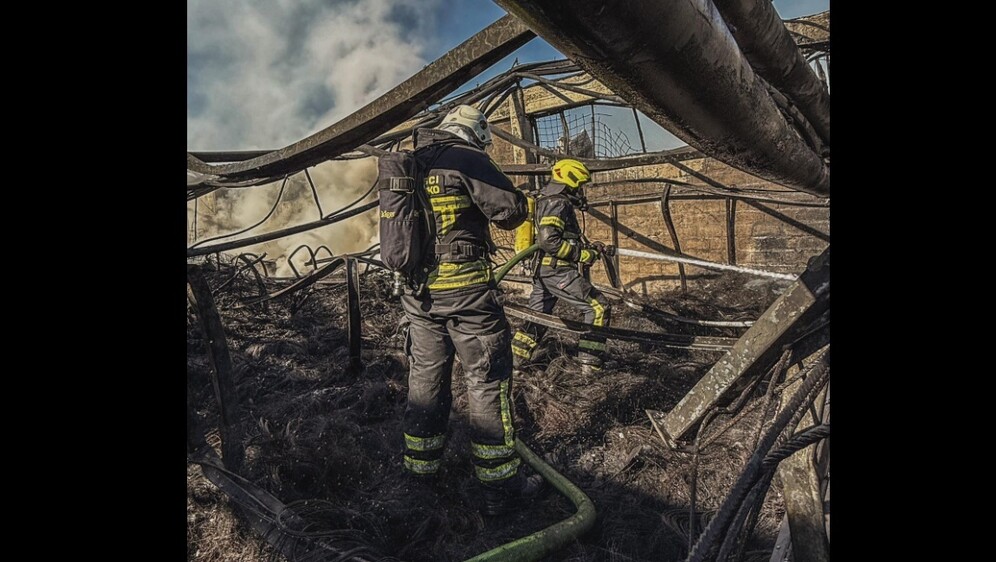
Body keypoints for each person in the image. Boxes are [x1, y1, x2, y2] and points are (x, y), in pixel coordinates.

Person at [399, 104, 543, 515]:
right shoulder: (466, 157)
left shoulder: (411, 162)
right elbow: (510, 214)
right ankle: (499, 486)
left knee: (425, 376)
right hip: (466, 296)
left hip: (418, 294)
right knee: (486, 378)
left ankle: (420, 472)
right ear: (474, 133)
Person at [511, 158, 613, 374]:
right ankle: (590, 363)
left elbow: (558, 237)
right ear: (572, 181)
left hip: (543, 270)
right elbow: (550, 241)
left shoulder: (544, 199)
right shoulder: (558, 202)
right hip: (557, 271)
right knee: (598, 307)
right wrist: (581, 254)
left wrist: (588, 248)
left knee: (538, 316)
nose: (581, 191)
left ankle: (514, 363)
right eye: (580, 186)